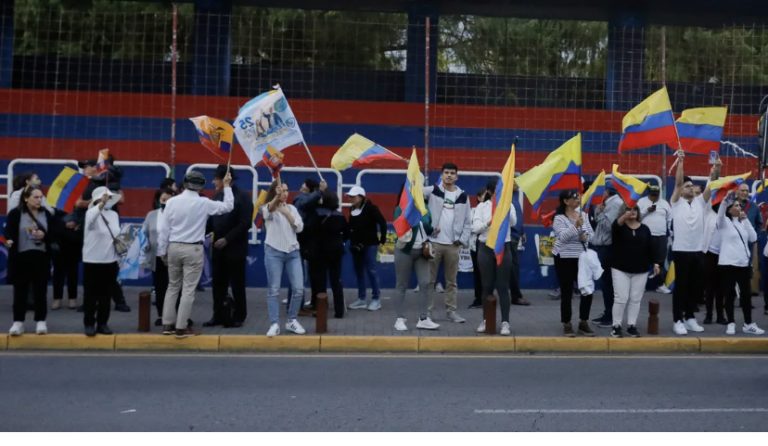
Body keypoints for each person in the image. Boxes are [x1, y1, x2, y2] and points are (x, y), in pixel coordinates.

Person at [157, 170, 233, 338]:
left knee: (172, 287)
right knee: (188, 290)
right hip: (193, 248)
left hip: (174, 246)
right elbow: (228, 206)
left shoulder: (172, 202)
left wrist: (162, 251)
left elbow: (164, 230)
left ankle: (167, 324)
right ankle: (181, 327)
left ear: (185, 184)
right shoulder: (204, 202)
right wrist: (227, 186)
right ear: (201, 186)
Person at [669, 152, 719, 335]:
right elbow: (677, 182)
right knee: (681, 287)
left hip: (698, 251)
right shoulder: (676, 202)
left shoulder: (700, 202)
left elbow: (712, 183)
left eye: (692, 186)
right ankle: (677, 320)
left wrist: (716, 169)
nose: (690, 188)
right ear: (681, 190)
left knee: (695, 287)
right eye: (687, 186)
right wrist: (681, 162)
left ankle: (689, 318)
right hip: (681, 251)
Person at [205, 165, 253, 328]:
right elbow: (211, 220)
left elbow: (245, 223)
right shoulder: (216, 196)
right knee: (218, 284)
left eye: (216, 179)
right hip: (217, 249)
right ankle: (218, 314)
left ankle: (239, 315)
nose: (213, 182)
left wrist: (227, 239)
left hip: (235, 249)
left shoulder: (243, 197)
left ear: (226, 179)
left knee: (237, 284)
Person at [423, 163, 471, 324]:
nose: (449, 175)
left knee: (451, 282)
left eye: (452, 173)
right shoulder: (433, 190)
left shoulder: (463, 196)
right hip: (434, 243)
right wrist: (414, 174)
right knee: (429, 281)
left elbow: (468, 221)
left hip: (453, 245)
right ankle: (427, 313)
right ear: (442, 175)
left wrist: (461, 240)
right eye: (446, 172)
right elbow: (413, 193)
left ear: (457, 176)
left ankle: (451, 312)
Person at [5, 186, 54, 336]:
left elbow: (54, 234)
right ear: (26, 198)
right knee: (20, 291)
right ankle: (18, 322)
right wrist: (9, 241)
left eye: (41, 197)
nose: (39, 200)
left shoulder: (46, 214)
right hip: (21, 257)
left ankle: (41, 321)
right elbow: (8, 233)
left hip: (41, 257)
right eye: (35, 197)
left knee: (41, 291)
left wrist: (44, 235)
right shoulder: (15, 213)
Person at [609, 204, 662, 338]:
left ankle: (631, 326)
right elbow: (615, 225)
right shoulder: (619, 227)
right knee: (621, 298)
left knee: (635, 299)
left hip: (641, 270)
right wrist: (624, 217)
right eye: (629, 209)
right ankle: (616, 326)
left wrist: (656, 263)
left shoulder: (645, 229)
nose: (632, 212)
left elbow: (651, 247)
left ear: (638, 212)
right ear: (623, 212)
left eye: (635, 209)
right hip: (620, 269)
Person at [261, 181, 306, 337]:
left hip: (293, 252)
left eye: (287, 190)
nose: (285, 193)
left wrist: (287, 214)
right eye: (282, 191)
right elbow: (267, 212)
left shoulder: (292, 208)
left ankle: (291, 320)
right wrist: (276, 199)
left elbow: (299, 227)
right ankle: (274, 323)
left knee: (299, 289)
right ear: (274, 192)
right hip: (273, 252)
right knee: (274, 290)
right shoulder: (268, 207)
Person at [472, 179, 516, 336]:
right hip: (485, 248)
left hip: (503, 247)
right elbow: (475, 228)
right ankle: (486, 320)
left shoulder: (509, 205)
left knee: (503, 286)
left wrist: (505, 208)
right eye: (498, 190)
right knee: (487, 286)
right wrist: (489, 222)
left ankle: (505, 322)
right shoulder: (482, 207)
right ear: (490, 191)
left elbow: (513, 222)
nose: (502, 192)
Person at [716, 193, 764, 335]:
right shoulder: (724, 222)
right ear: (730, 209)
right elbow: (720, 215)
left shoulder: (743, 222)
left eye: (740, 206)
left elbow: (753, 238)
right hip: (728, 264)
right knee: (729, 294)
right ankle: (731, 323)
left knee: (746, 296)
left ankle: (748, 324)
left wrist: (746, 220)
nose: (739, 208)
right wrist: (725, 201)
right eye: (736, 206)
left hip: (743, 264)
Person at [392, 188, 438, 331]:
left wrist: (433, 230)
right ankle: (399, 318)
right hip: (404, 251)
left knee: (425, 283)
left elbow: (428, 227)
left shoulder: (425, 208)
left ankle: (423, 318)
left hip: (422, 251)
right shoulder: (400, 208)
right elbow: (400, 228)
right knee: (401, 285)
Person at [552, 189, 595, 337]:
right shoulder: (559, 218)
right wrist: (576, 226)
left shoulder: (583, 215)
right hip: (564, 257)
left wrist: (585, 237)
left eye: (578, 197)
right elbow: (563, 237)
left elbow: (591, 234)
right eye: (574, 198)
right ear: (566, 201)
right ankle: (567, 323)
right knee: (567, 291)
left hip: (582, 257)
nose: (578, 200)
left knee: (587, 290)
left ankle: (583, 322)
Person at [81, 186, 123, 337]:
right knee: (90, 295)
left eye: (110, 198)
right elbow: (92, 218)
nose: (108, 200)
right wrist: (100, 204)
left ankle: (102, 323)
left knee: (106, 295)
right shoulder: (90, 213)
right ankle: (89, 323)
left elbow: (116, 235)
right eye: (106, 197)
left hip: (110, 260)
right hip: (92, 260)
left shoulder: (114, 215)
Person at [345, 186, 388, 311]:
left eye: (353, 196)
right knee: (359, 271)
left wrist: (383, 238)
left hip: (370, 245)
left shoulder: (371, 208)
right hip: (356, 246)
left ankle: (376, 299)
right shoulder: (352, 209)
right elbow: (351, 227)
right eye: (350, 196)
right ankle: (361, 299)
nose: (350, 198)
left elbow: (382, 222)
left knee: (371, 271)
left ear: (361, 197)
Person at [292, 177, 327, 310]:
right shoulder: (307, 200)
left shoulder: (304, 199)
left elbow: (306, 203)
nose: (301, 186)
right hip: (306, 240)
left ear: (307, 187)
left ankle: (307, 303)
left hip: (307, 241)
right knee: (304, 274)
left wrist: (320, 192)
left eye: (304, 184)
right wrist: (320, 192)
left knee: (308, 274)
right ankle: (302, 302)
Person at [142, 187, 175, 325]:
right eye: (163, 199)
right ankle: (162, 315)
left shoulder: (177, 215)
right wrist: (145, 245)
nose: (165, 202)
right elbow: (144, 233)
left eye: (169, 200)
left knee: (175, 287)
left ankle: (177, 315)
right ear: (158, 200)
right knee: (160, 287)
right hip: (157, 257)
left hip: (174, 256)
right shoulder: (151, 215)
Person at [589, 187, 622, 328]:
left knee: (608, 284)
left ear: (607, 193)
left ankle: (611, 316)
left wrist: (600, 212)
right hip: (604, 247)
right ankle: (608, 313)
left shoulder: (615, 203)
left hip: (608, 248)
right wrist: (600, 211)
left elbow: (609, 226)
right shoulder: (609, 203)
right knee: (606, 283)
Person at [314, 191, 350, 318]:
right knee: (336, 281)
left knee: (320, 282)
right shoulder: (340, 216)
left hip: (321, 251)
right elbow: (347, 233)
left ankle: (320, 311)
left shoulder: (317, 214)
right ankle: (339, 311)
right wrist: (340, 241)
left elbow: (312, 231)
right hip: (336, 250)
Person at [637, 185, 672, 293]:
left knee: (660, 261)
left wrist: (670, 233)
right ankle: (640, 285)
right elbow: (636, 218)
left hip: (661, 236)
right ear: (648, 193)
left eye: (656, 195)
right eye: (652, 195)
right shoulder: (641, 202)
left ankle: (660, 284)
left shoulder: (664, 203)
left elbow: (670, 219)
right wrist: (647, 211)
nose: (654, 197)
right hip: (645, 236)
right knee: (643, 260)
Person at [735, 183, 763, 295]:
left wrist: (755, 237)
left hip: (747, 245)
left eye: (747, 190)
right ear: (737, 192)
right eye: (742, 190)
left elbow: (759, 223)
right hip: (732, 243)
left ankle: (745, 296)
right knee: (731, 270)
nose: (745, 193)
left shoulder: (754, 207)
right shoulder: (731, 205)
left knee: (746, 270)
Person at [468, 187, 489, 309]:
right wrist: (482, 226)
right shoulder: (473, 211)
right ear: (479, 198)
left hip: (488, 245)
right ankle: (478, 298)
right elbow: (471, 227)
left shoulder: (491, 209)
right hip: (475, 245)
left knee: (488, 273)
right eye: (484, 195)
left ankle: (488, 297)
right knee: (478, 272)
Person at [509, 184, 529, 306]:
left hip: (516, 236)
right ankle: (516, 297)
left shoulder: (515, 196)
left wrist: (522, 231)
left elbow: (519, 216)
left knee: (513, 268)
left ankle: (516, 296)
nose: (517, 183)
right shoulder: (506, 196)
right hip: (510, 236)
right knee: (513, 268)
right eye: (514, 181)